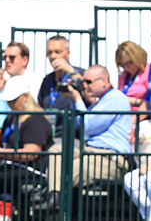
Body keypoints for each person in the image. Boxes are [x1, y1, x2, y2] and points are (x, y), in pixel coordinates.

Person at [47, 64, 133, 195]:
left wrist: (77, 98)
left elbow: (86, 126)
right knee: (55, 151)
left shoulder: (115, 97)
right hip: (91, 152)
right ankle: (54, 198)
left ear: (104, 80)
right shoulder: (101, 100)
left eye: (88, 82)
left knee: (63, 172)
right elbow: (80, 123)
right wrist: (72, 99)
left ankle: (54, 203)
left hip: (110, 158)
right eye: (83, 82)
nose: (85, 86)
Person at [0, 79, 54, 204]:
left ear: (25, 97)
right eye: (8, 101)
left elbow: (31, 154)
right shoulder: (10, 119)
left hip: (32, 169)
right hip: (12, 164)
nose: (10, 104)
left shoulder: (36, 120)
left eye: (13, 100)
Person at [37, 35, 85, 113]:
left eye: (58, 52)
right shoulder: (47, 80)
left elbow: (86, 93)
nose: (53, 56)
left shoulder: (80, 73)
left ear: (68, 53)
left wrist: (69, 70)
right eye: (50, 52)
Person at [113, 41, 149, 110]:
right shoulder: (123, 75)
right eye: (122, 65)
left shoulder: (148, 71)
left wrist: (131, 100)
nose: (126, 68)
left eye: (128, 63)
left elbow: (150, 102)